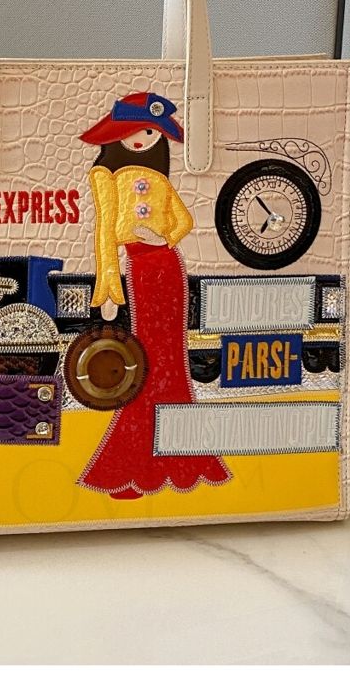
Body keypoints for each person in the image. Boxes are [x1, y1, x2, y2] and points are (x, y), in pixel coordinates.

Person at [76, 92, 232, 498]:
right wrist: (108, 286)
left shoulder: (160, 180)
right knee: (145, 358)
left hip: (167, 268)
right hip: (137, 271)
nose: (142, 139)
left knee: (170, 359)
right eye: (135, 131)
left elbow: (184, 220)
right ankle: (135, 463)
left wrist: (164, 238)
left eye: (151, 132)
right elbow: (104, 233)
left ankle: (176, 458)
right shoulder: (105, 176)